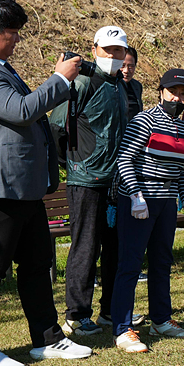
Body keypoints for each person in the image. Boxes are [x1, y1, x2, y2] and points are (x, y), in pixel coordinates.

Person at [0, 0, 91, 366]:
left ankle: (47, 339)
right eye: (12, 32)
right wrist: (60, 79)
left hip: (21, 187)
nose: (17, 39)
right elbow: (21, 110)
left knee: (36, 265)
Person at [48, 25, 131, 337]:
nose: (113, 55)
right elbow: (56, 127)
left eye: (118, 50)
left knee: (115, 248)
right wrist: (74, 163)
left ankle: (110, 310)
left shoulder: (120, 86)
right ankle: (77, 315)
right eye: (107, 49)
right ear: (95, 49)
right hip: (86, 180)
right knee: (85, 247)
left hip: (116, 181)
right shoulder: (81, 82)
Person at [111, 68, 184, 352]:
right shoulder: (144, 120)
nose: (177, 98)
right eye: (172, 91)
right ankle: (122, 328)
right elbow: (125, 159)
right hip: (139, 200)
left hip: (167, 201)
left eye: (183, 93)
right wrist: (136, 195)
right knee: (130, 264)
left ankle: (160, 319)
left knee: (162, 261)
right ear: (161, 92)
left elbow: (183, 171)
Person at [120, 46, 143, 119]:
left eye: (131, 66)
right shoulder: (108, 86)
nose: (126, 71)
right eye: (122, 65)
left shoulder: (137, 86)